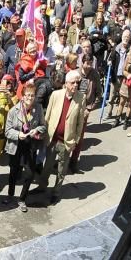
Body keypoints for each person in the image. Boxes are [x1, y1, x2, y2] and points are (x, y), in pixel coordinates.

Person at [42, 69, 86, 203]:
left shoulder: (81, 98)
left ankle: (56, 192)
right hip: (52, 139)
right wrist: (44, 135)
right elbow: (48, 116)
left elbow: (80, 123)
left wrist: (75, 141)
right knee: (47, 166)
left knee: (62, 169)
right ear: (66, 83)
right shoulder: (56, 95)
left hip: (66, 141)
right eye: (72, 83)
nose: (75, 86)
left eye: (77, 83)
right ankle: (42, 186)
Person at [2, 82, 46, 212]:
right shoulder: (13, 111)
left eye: (32, 96)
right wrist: (18, 134)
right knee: (13, 173)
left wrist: (36, 130)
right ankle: (10, 196)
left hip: (30, 146)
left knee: (30, 174)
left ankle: (22, 199)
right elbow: (7, 131)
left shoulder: (38, 108)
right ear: (22, 96)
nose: (30, 98)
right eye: (27, 95)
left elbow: (43, 126)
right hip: (15, 146)